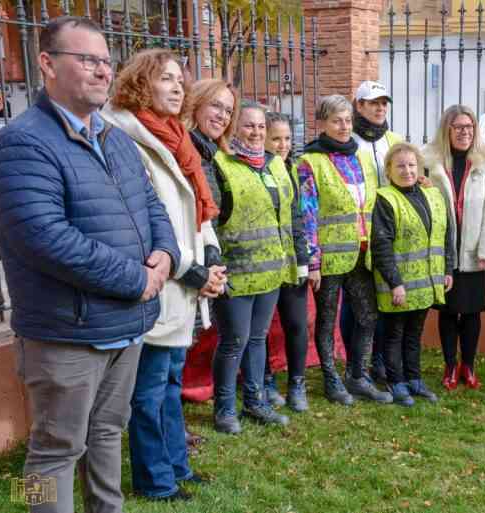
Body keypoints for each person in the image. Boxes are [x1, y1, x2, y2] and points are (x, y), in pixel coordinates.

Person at [0, 17, 179, 513]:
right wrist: (136, 280)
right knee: (50, 451)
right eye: (88, 60)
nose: (102, 72)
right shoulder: (20, 143)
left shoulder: (115, 138)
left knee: (106, 435)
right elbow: (44, 239)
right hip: (65, 335)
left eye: (105, 61)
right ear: (48, 64)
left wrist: (166, 255)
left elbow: (153, 205)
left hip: (125, 326)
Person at [101, 49, 226, 502]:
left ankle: (176, 465)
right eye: (166, 80)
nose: (178, 88)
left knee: (171, 381)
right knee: (151, 390)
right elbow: (146, 219)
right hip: (161, 281)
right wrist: (195, 272)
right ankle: (156, 480)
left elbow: (197, 205)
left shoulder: (176, 136)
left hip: (188, 279)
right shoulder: (126, 136)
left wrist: (210, 258)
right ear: (140, 84)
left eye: (180, 80)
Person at [297, 94, 393, 405]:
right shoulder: (309, 162)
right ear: (322, 123)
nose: (343, 126)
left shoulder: (361, 157)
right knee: (327, 320)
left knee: (367, 316)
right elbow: (307, 213)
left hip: (362, 254)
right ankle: (331, 378)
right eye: (336, 121)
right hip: (329, 258)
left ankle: (358, 375)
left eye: (347, 120)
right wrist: (312, 260)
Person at [211, 102, 300, 430]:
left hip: (271, 270)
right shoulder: (220, 163)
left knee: (259, 337)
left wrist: (293, 262)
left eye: (261, 127)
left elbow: (288, 218)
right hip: (235, 270)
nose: (256, 133)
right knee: (234, 339)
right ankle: (224, 409)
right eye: (249, 126)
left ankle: (255, 401)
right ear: (234, 127)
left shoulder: (276, 164)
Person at [423, 104, 485, 390]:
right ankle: (449, 365)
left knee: (471, 312)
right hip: (443, 251)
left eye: (469, 128)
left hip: (473, 250)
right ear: (447, 129)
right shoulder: (428, 159)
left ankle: (467, 365)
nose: (464, 133)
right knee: (447, 311)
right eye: (458, 128)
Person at [180, 78, 240, 446]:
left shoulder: (209, 153)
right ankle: (169, 433)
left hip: (205, 262)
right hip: (185, 267)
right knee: (174, 356)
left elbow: (211, 215)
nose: (222, 115)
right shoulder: (184, 148)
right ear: (196, 104)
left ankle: (172, 430)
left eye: (228, 110)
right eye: (216, 105)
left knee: (183, 351)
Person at [371, 143, 454, 406]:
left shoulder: (432, 195)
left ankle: (414, 379)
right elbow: (381, 245)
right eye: (400, 166)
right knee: (394, 334)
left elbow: (446, 234)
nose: (407, 171)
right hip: (398, 285)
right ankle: (396, 382)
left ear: (419, 168)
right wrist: (395, 283)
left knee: (414, 334)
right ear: (388, 171)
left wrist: (447, 270)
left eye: (411, 165)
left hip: (426, 283)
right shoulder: (385, 199)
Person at [341, 80, 404, 383]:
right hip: (358, 234)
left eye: (383, 103)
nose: (380, 108)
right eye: (373, 103)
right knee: (355, 304)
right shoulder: (348, 141)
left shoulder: (394, 139)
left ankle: (377, 358)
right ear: (359, 106)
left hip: (389, 230)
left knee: (382, 299)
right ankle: (354, 362)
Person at [262, 111, 312, 412]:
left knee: (296, 323)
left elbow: (299, 219)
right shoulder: (255, 169)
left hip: (292, 260)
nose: (282, 145)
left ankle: (297, 383)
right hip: (266, 261)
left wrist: (305, 260)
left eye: (287, 139)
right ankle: (265, 381)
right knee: (262, 327)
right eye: (276, 138)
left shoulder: (294, 169)